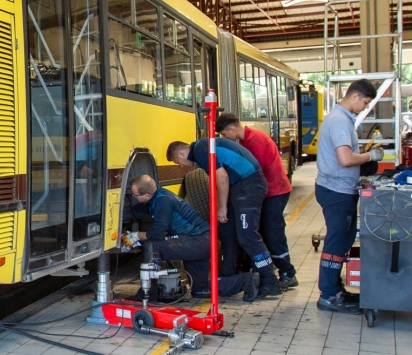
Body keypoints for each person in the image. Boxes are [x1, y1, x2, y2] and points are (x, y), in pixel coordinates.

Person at [169, 134, 280, 297]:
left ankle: (270, 281)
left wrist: (222, 208)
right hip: (239, 186)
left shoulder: (200, 149)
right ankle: (228, 277)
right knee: (227, 232)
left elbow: (222, 177)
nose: (181, 166)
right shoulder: (202, 149)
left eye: (178, 162)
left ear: (181, 153)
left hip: (249, 184)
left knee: (247, 235)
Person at [315, 79, 384, 314]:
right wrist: (370, 156)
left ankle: (335, 289)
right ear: (355, 96)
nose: (365, 107)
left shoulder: (341, 119)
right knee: (336, 242)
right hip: (336, 191)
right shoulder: (339, 121)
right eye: (365, 102)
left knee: (343, 240)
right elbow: (345, 159)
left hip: (339, 188)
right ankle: (328, 295)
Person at [126, 176, 253, 299]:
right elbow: (136, 211)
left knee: (152, 246)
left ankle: (147, 294)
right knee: (200, 290)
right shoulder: (157, 196)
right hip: (203, 240)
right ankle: (247, 280)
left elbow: (158, 234)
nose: (134, 197)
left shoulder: (163, 202)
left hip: (197, 241)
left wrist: (135, 236)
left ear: (147, 195)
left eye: (135, 195)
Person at [216, 113, 297, 288]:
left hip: (275, 191)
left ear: (232, 128)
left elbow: (252, 172)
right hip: (267, 192)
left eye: (224, 134)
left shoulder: (255, 140)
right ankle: (267, 269)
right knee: (262, 232)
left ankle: (288, 273)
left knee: (273, 233)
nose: (225, 138)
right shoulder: (245, 141)